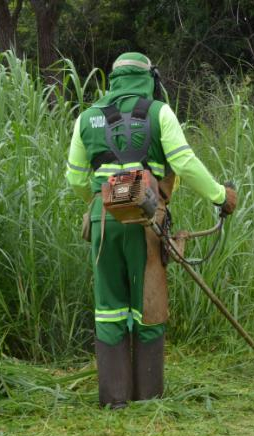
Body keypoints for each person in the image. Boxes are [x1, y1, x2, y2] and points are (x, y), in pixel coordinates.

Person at [64, 52, 237, 409]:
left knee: (108, 308)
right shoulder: (159, 112)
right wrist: (220, 195)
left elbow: (75, 178)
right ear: (148, 79)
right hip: (147, 222)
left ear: (113, 79)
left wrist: (101, 204)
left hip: (103, 220)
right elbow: (184, 163)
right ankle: (148, 397)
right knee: (149, 304)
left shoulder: (87, 117)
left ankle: (114, 400)